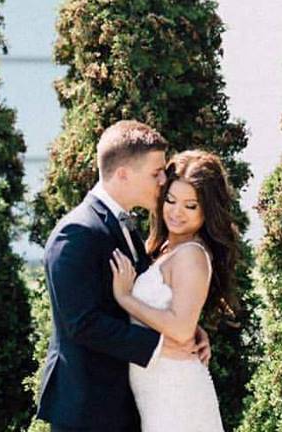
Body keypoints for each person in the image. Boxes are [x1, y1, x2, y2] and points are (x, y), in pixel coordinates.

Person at [37, 121, 212, 432]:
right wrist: (161, 345)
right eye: (155, 172)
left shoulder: (125, 225)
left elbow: (144, 294)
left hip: (126, 404)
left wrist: (186, 325)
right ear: (123, 175)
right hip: (89, 410)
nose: (163, 180)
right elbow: (82, 322)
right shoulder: (76, 233)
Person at [110, 150, 240, 432]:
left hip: (177, 393)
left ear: (207, 210)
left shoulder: (191, 254)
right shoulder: (165, 249)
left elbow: (181, 329)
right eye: (170, 200)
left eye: (190, 206)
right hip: (157, 389)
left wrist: (125, 298)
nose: (176, 212)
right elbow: (180, 318)